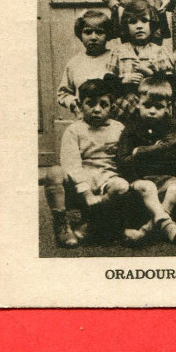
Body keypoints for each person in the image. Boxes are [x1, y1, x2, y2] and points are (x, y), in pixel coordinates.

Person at [44, 78, 127, 247]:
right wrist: (86, 192)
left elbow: (123, 160)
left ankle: (95, 221)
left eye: (103, 105)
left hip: (107, 181)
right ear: (81, 105)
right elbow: (71, 163)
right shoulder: (74, 130)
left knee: (122, 186)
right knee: (54, 172)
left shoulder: (119, 128)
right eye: (91, 104)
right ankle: (62, 225)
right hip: (79, 184)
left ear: (111, 107)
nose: (97, 110)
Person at [115, 75, 176, 244]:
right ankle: (168, 226)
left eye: (159, 107)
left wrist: (140, 151)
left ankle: (147, 229)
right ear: (138, 103)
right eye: (147, 105)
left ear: (167, 107)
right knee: (147, 187)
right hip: (140, 180)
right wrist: (155, 150)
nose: (152, 111)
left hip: (165, 178)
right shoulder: (131, 126)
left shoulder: (172, 126)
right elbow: (123, 159)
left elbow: (170, 146)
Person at [106, 0, 175, 122]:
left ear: (152, 24)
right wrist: (123, 80)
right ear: (126, 26)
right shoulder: (118, 51)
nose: (139, 26)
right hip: (124, 112)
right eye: (133, 22)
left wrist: (151, 74)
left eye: (144, 21)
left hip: (153, 112)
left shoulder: (160, 51)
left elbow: (170, 84)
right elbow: (107, 83)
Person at [57, 9, 114, 117]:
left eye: (99, 32)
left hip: (112, 122)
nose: (93, 37)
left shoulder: (116, 58)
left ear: (107, 34)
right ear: (80, 34)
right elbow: (63, 93)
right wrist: (74, 104)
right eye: (88, 32)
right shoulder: (74, 63)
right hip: (84, 120)